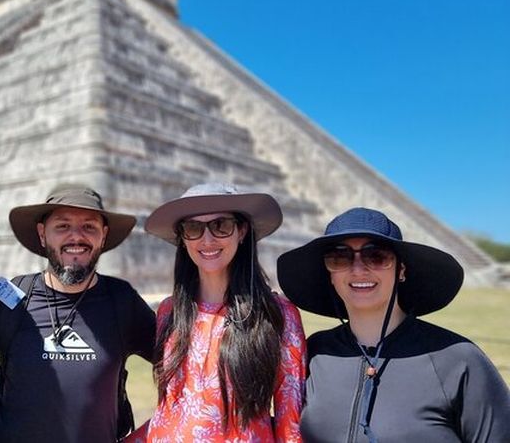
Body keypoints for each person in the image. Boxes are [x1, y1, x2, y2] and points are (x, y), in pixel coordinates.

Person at [277, 207, 510, 443]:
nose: (358, 269)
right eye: (340, 257)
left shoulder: (457, 359)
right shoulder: (314, 353)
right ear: (330, 274)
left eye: (376, 256)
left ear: (401, 270)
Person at [0, 184, 157, 442]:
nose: (76, 237)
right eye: (63, 226)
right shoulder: (13, 297)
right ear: (43, 234)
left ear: (103, 235)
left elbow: (186, 368)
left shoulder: (122, 301)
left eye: (89, 227)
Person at [134, 183, 306, 441]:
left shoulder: (277, 315)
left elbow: (289, 423)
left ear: (241, 231)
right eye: (193, 228)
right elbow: (170, 410)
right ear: (182, 238)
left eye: (221, 225)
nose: (207, 239)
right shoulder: (170, 312)